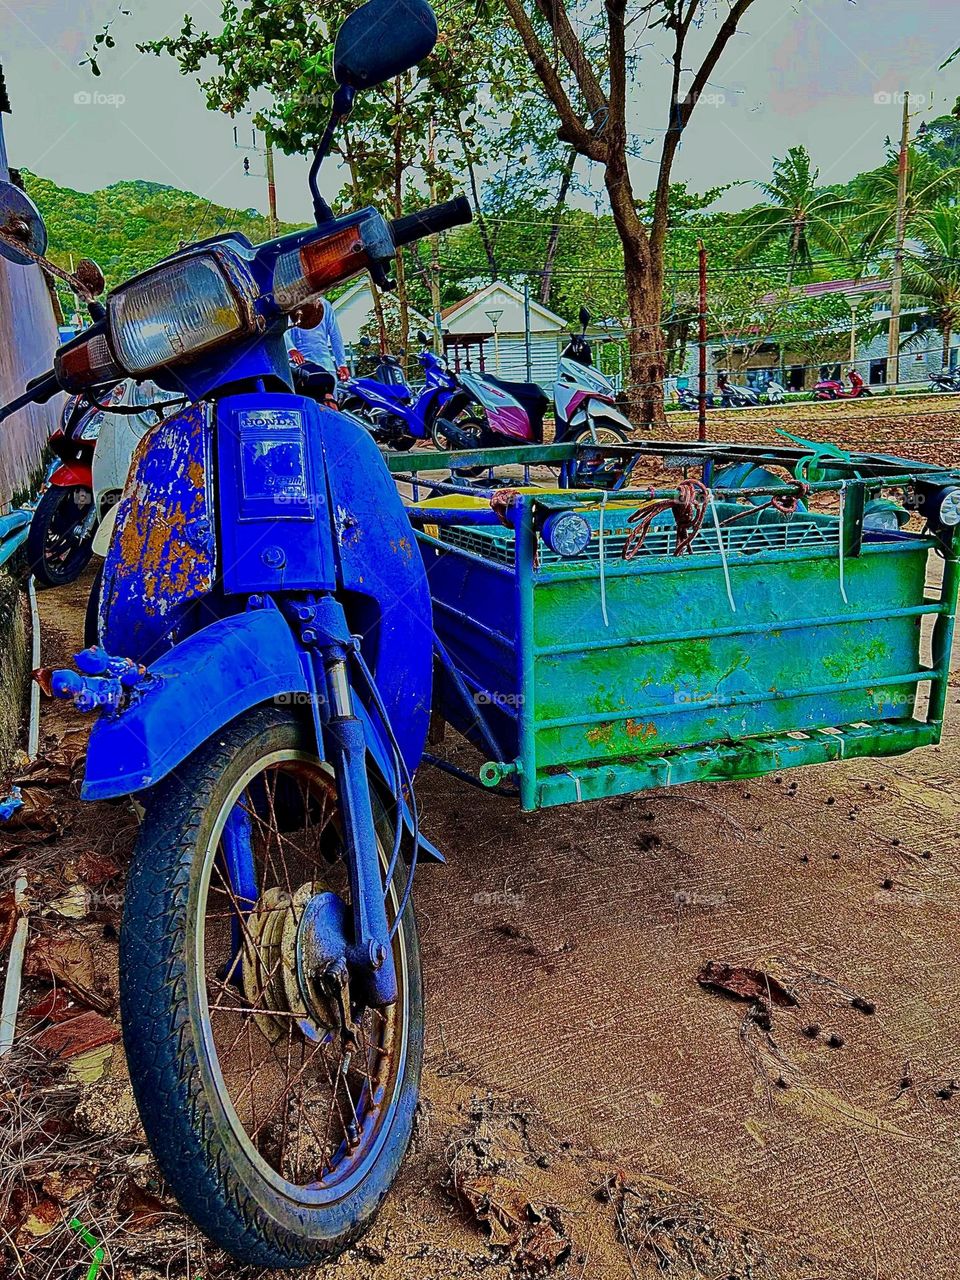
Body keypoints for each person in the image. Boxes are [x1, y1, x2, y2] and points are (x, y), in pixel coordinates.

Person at [284, 297, 350, 404]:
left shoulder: (325, 305)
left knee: (331, 406)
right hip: (301, 369)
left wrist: (342, 364)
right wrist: (292, 350)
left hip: (325, 367)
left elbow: (335, 335)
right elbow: (284, 332)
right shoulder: (291, 304)